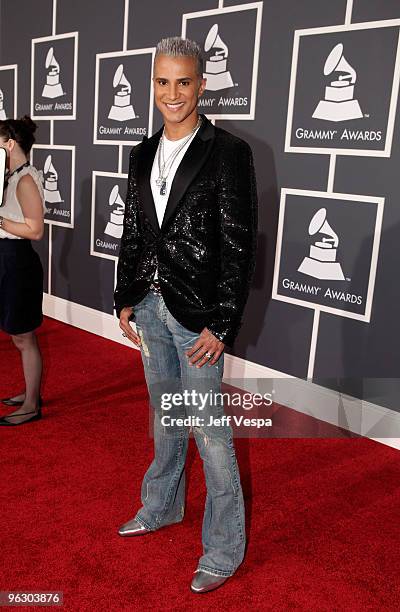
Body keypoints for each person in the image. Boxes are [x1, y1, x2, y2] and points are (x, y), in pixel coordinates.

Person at [114, 37, 258, 593]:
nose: (171, 94)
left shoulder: (229, 152)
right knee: (164, 417)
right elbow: (134, 229)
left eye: (183, 82)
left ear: (201, 84)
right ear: (152, 84)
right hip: (149, 308)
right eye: (161, 82)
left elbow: (239, 244)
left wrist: (221, 323)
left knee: (209, 430)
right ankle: (161, 506)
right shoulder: (142, 152)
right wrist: (123, 296)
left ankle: (223, 548)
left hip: (197, 315)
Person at [0, 116, 46, 426]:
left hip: (18, 262)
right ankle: (30, 393)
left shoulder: (25, 180)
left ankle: (31, 404)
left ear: (10, 144)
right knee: (19, 337)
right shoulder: (13, 177)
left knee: (24, 337)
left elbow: (35, 230)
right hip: (8, 260)